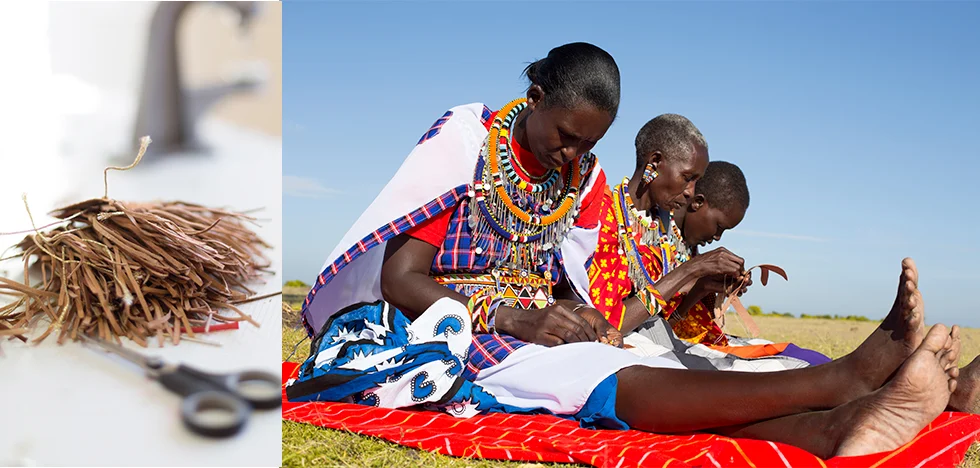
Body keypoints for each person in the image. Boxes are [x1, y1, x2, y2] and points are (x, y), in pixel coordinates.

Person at [288, 43, 961, 459]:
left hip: (531, 329)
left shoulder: (582, 178)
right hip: (453, 330)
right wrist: (507, 317)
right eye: (566, 136)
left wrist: (580, 315)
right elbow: (401, 277)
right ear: (536, 98)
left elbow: (580, 289)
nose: (576, 156)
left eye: (590, 143)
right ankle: (837, 382)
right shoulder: (466, 143)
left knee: (621, 352)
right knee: (578, 377)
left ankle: (835, 429)